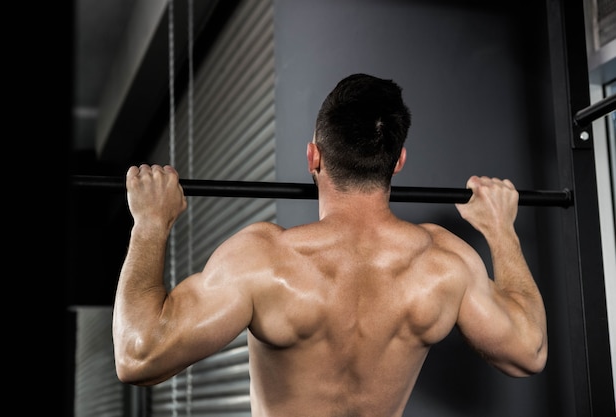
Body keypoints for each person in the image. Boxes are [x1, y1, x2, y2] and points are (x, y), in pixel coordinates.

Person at [112, 73, 548, 417]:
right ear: (397, 161)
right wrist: (499, 228)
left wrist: (150, 223)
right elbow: (529, 351)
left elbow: (139, 355)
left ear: (313, 157)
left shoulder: (264, 261)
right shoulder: (444, 263)